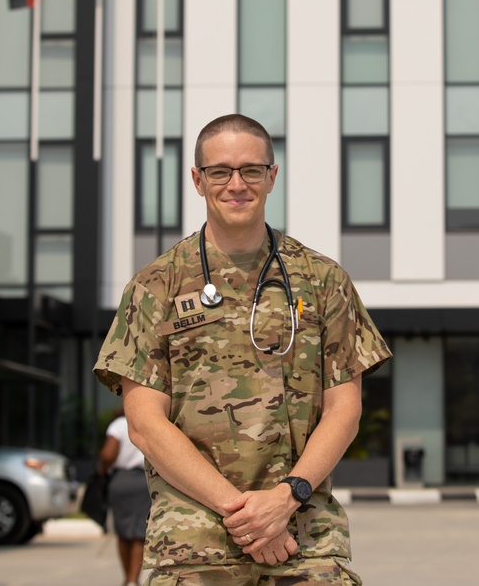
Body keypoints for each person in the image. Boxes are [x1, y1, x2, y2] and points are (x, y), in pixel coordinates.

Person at [94, 113, 392, 584]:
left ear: (272, 176)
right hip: (193, 547)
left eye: (251, 170)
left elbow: (344, 411)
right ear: (197, 180)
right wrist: (246, 517)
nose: (237, 184)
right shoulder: (155, 286)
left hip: (303, 539)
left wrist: (285, 498)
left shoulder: (322, 280)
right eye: (220, 171)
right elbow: (145, 425)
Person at [98, 409, 151, 586]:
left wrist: (103, 470)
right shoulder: (147, 422)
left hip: (121, 480)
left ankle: (127, 578)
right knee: (138, 532)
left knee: (123, 532)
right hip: (143, 480)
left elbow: (107, 454)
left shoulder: (119, 424)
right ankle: (133, 580)